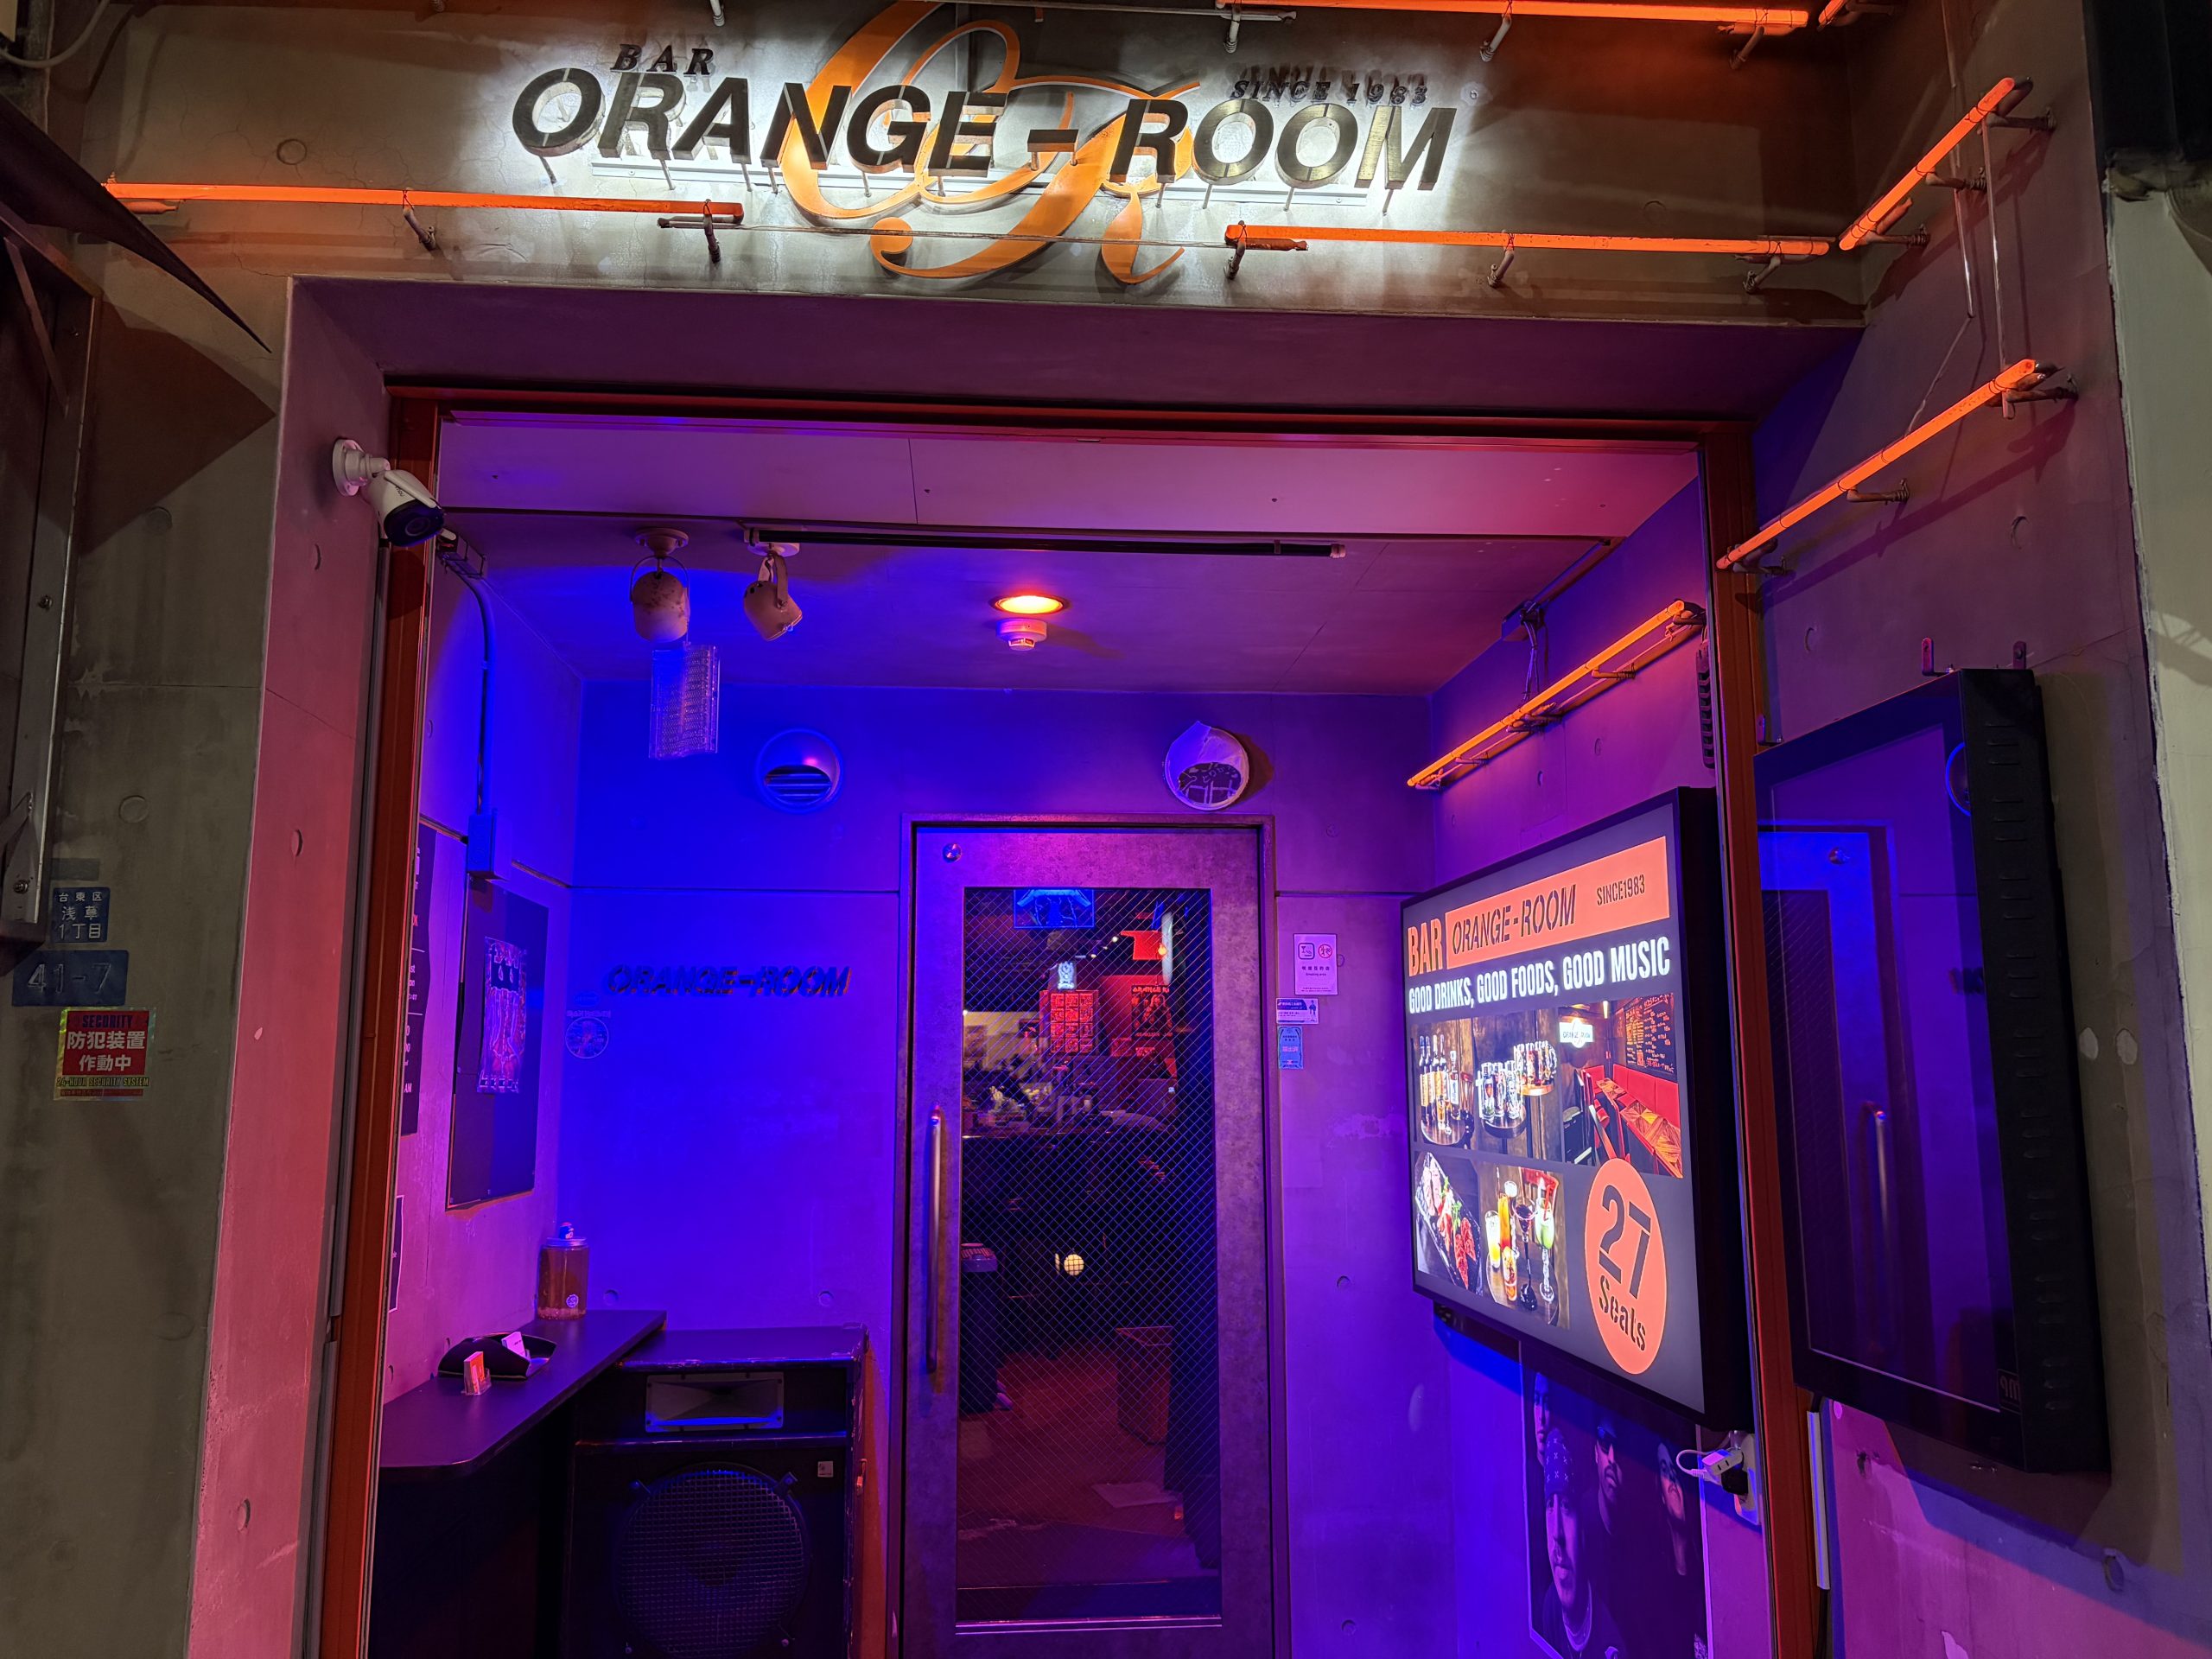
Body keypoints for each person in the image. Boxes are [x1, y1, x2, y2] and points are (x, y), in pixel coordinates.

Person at [1536, 1429, 1627, 1659]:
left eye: (1566, 1506)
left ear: (1582, 1525)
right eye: (1550, 1506)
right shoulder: (1550, 1605)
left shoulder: (1611, 1637)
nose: (1557, 1533)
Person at [1651, 1441, 1711, 1659]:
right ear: (1660, 1494)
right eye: (1665, 1470)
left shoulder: (1708, 1571)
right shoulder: (1657, 1582)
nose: (1672, 1481)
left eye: (1675, 1472)